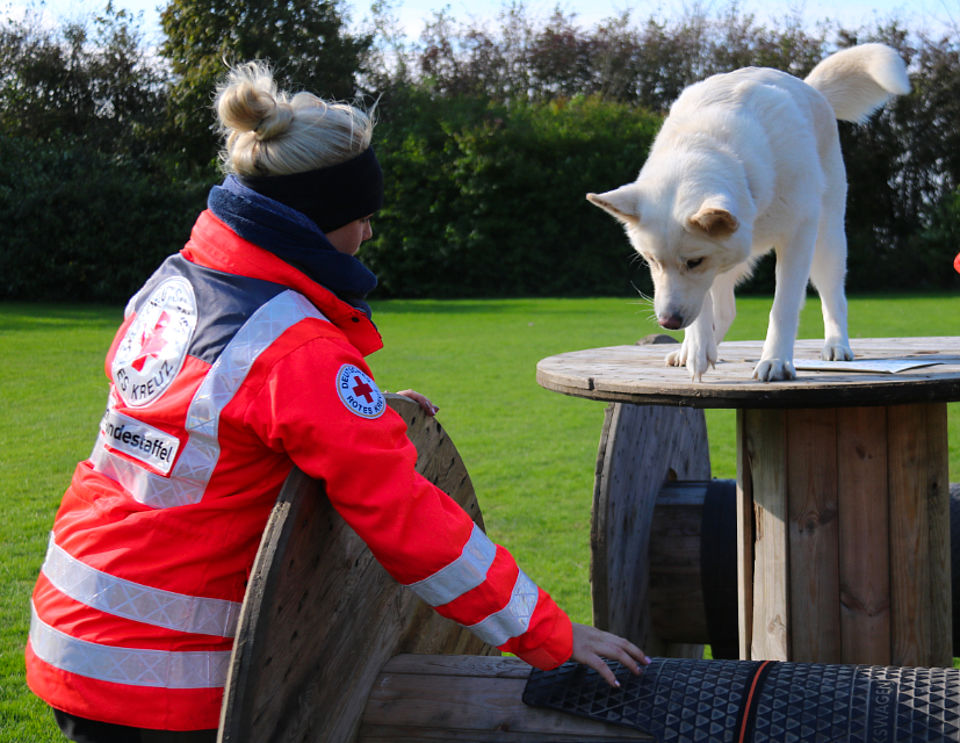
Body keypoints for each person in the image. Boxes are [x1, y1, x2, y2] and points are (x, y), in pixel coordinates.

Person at [25, 61, 649, 742]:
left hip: (71, 622)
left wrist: (360, 407)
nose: (370, 235)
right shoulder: (299, 353)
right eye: (362, 217)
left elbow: (209, 412)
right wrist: (551, 633)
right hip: (157, 671)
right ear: (318, 222)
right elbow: (406, 516)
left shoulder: (177, 280)